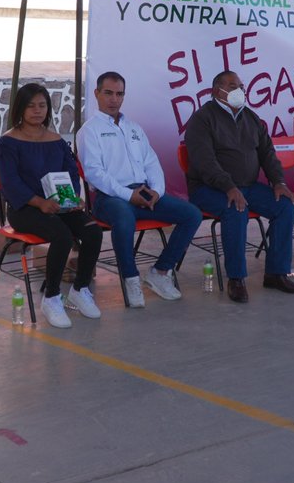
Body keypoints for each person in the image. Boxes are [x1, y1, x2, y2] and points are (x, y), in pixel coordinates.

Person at [77, 71, 202, 308]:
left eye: (119, 94)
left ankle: (160, 272)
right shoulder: (89, 131)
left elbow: (151, 162)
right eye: (108, 93)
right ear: (96, 94)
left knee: (192, 214)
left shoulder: (133, 128)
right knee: (124, 218)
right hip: (109, 198)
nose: (114, 99)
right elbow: (94, 173)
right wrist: (128, 195)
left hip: (143, 193)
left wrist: (157, 191)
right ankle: (131, 278)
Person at [182, 70, 294, 303]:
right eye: (232, 85)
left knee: (284, 206)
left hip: (248, 186)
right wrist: (228, 187)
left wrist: (278, 182)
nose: (239, 90)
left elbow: (267, 153)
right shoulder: (202, 119)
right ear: (216, 91)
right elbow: (204, 161)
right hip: (209, 189)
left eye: (241, 86)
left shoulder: (251, 117)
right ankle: (236, 279)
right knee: (236, 209)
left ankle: (276, 273)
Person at [0, 82, 103, 329]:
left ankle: (80, 289)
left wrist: (72, 198)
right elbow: (10, 184)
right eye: (31, 106)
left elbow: (71, 173)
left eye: (42, 105)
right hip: (25, 209)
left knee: (93, 230)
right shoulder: (8, 143)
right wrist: (40, 203)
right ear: (20, 108)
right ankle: (52, 297)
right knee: (62, 236)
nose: (37, 111)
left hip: (58, 205)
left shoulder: (55, 140)